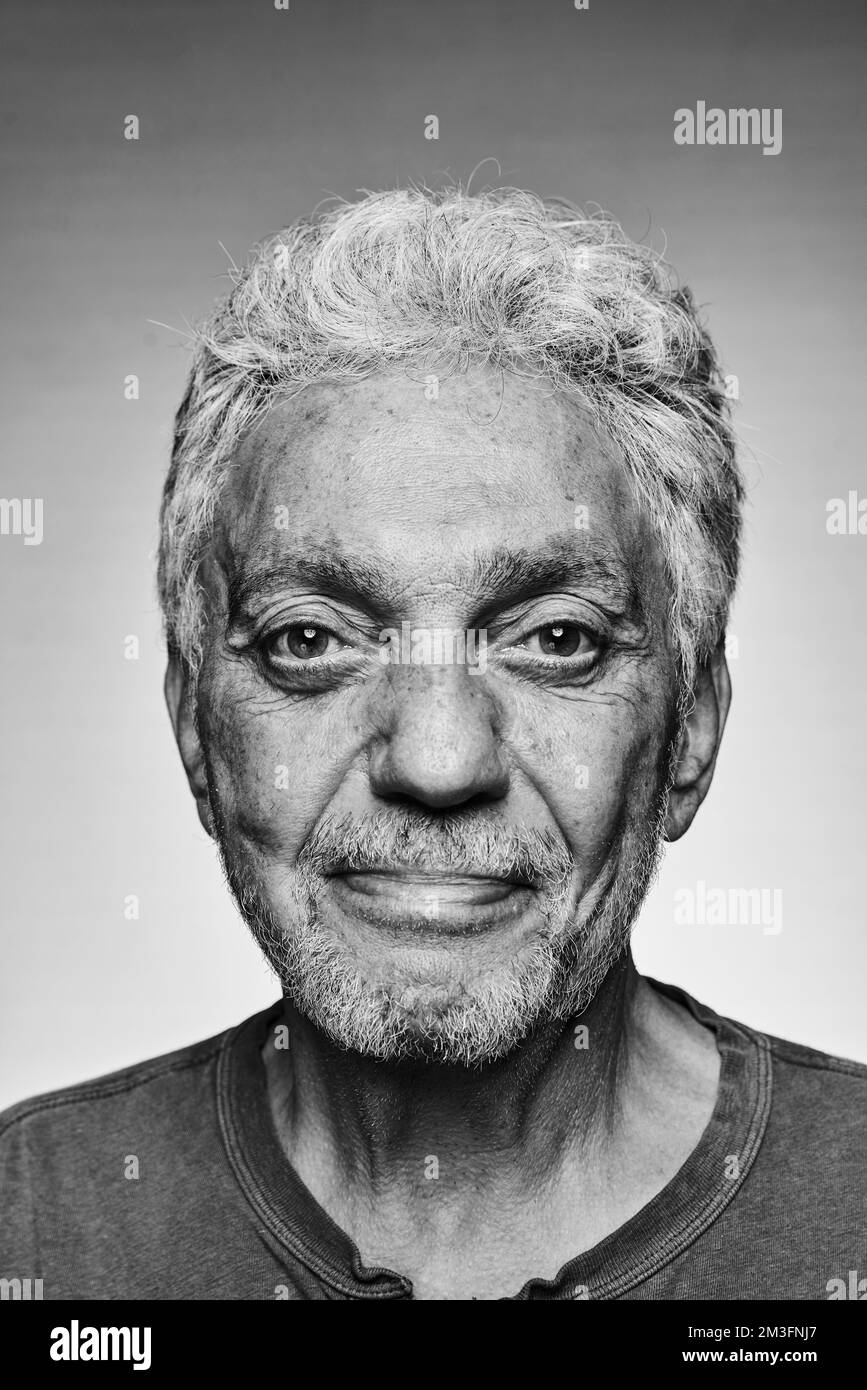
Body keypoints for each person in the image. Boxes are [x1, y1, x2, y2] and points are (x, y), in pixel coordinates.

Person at [2, 187, 864, 1301]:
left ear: (692, 726)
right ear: (193, 729)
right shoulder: (32, 1233)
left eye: (557, 639)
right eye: (313, 638)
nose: (441, 760)